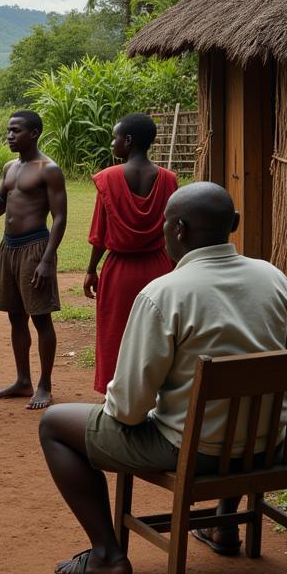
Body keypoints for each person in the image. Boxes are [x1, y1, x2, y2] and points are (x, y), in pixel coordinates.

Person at [39, 182, 287, 574]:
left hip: (195, 452)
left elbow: (128, 409)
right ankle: (223, 527)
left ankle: (107, 556)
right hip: (267, 446)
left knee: (54, 424)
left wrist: (148, 411)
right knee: (232, 411)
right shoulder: (273, 279)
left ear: (179, 230)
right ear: (233, 224)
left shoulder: (163, 294)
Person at [0, 110, 67, 409]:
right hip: (8, 247)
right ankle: (23, 381)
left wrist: (47, 260)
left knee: (41, 318)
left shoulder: (48, 169)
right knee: (15, 316)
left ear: (34, 133)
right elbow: (0, 209)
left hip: (34, 248)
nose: (9, 135)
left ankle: (44, 385)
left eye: (16, 131)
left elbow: (60, 216)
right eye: (8, 130)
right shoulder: (10, 167)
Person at [84, 114, 179, 393]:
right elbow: (174, 231)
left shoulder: (108, 178)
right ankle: (158, 390)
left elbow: (99, 235)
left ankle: (116, 394)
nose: (113, 143)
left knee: (116, 332)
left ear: (127, 141)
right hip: (160, 268)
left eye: (115, 138)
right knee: (158, 333)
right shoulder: (169, 180)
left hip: (120, 270)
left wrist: (91, 269)